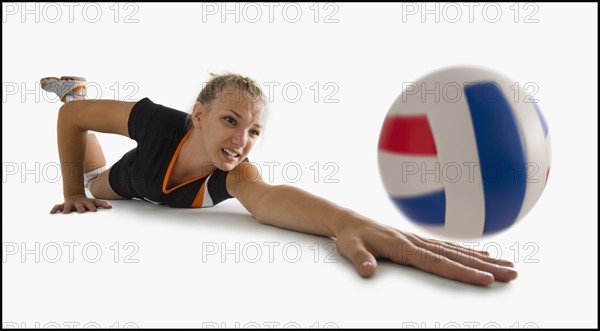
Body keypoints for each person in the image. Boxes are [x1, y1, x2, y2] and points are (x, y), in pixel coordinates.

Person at [42, 74, 517, 286]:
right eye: (230, 121)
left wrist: (344, 221)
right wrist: (69, 193)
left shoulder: (233, 176)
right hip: (129, 180)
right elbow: (73, 124)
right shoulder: (156, 123)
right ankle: (73, 89)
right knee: (94, 181)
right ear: (199, 115)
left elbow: (268, 199)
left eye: (253, 131)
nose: (241, 140)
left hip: (151, 190)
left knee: (97, 180)